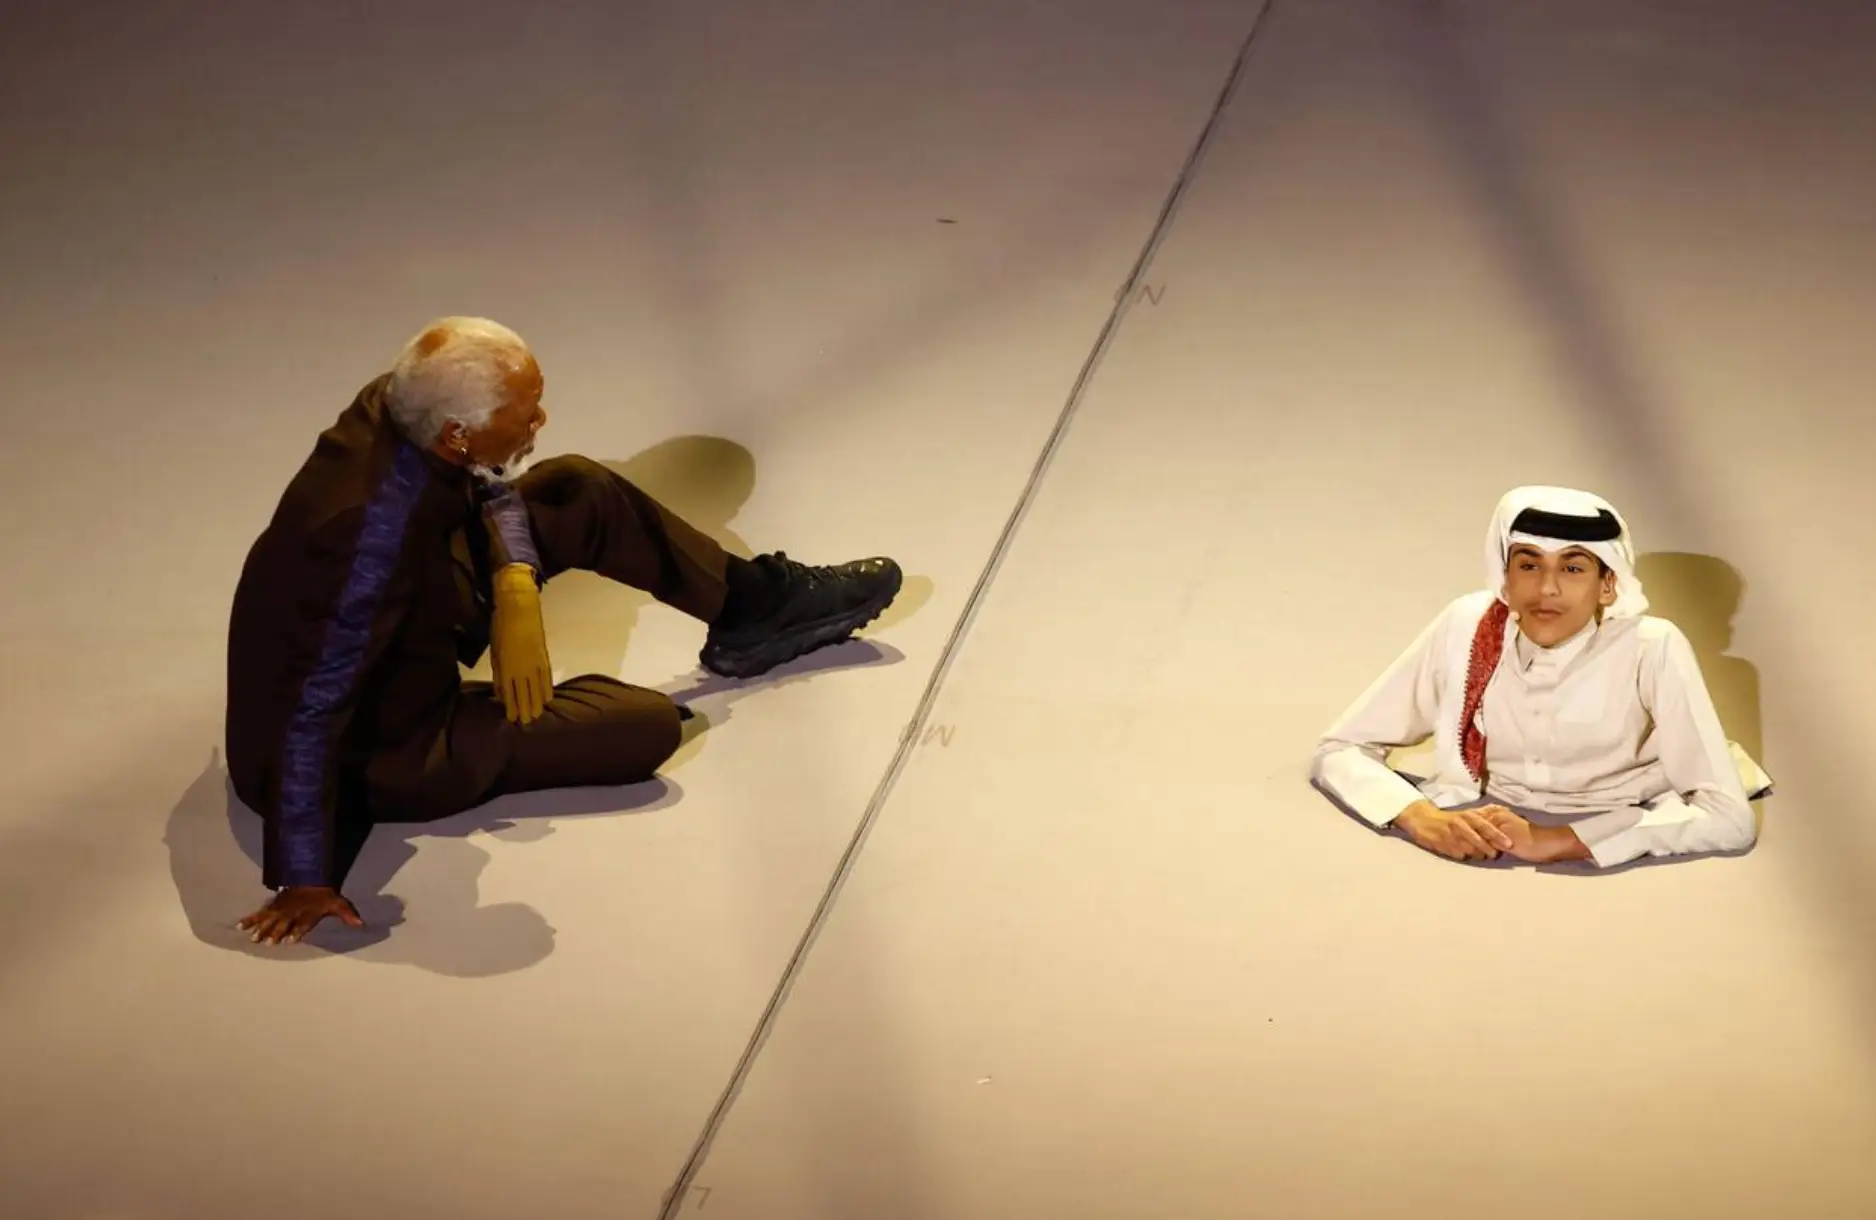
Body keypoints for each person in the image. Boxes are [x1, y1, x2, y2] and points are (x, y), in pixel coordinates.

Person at [228, 317, 903, 944]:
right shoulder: (365, 540)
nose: (540, 420)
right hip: (383, 745)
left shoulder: (405, 402)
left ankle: (755, 605)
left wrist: (515, 580)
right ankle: (521, 725)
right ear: (458, 433)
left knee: (577, 489)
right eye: (526, 412)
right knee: (647, 726)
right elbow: (309, 711)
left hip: (419, 599)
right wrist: (303, 877)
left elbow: (489, 480)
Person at [1310, 485, 1769, 868]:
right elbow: (1340, 749)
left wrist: (1559, 841)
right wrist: (1421, 818)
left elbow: (1729, 820)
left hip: (1620, 809)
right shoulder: (1467, 625)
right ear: (1505, 578)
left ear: (1607, 585)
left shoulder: (1651, 645)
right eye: (1529, 565)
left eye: (1572, 568)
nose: (1547, 589)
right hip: (1488, 806)